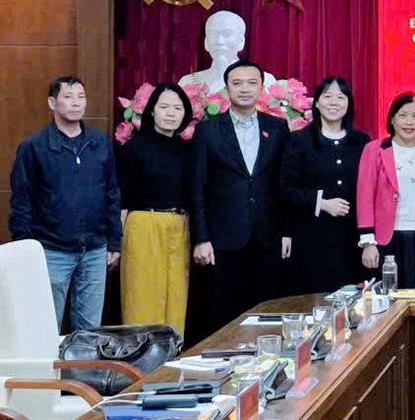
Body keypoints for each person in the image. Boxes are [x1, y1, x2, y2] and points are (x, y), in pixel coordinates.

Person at [9, 76, 121, 332]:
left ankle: (82, 374)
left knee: (90, 330)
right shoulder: (34, 147)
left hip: (94, 250)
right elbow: (22, 201)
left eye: (81, 97)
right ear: (52, 102)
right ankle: (48, 374)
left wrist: (114, 241)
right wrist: (26, 249)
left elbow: (112, 193)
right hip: (51, 250)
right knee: (46, 326)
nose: (76, 103)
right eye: (68, 97)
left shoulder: (99, 143)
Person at [189, 60, 290, 340]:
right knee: (223, 313)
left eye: (251, 83)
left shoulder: (278, 129)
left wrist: (286, 231)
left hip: (267, 236)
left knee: (267, 312)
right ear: (226, 89)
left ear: (261, 87)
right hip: (223, 238)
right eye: (237, 83)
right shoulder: (208, 130)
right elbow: (197, 186)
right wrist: (201, 237)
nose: (244, 89)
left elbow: (284, 185)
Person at [280, 77, 370, 294]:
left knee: (354, 303)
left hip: (352, 238)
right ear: (317, 103)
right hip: (312, 236)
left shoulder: (362, 141)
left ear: (349, 104)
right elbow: (286, 188)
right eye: (327, 96)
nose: (334, 102)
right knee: (316, 298)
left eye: (341, 97)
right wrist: (321, 203)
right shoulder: (300, 140)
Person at [118, 82, 192, 335]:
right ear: (151, 111)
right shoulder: (133, 148)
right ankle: (140, 362)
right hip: (143, 223)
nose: (171, 113)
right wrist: (114, 244)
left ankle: (172, 359)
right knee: (142, 294)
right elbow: (122, 198)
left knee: (176, 296)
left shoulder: (188, 150)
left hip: (179, 225)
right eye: (164, 107)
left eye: (177, 107)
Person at [357, 92, 415, 289]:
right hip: (387, 238)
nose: (409, 122)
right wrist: (368, 242)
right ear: (392, 119)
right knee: (387, 298)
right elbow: (364, 195)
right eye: (403, 115)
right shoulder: (375, 149)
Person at [178, 11, 276, 93]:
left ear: (241, 41)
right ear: (206, 42)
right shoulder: (188, 83)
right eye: (214, 34)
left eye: (227, 34)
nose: (219, 41)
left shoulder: (264, 81)